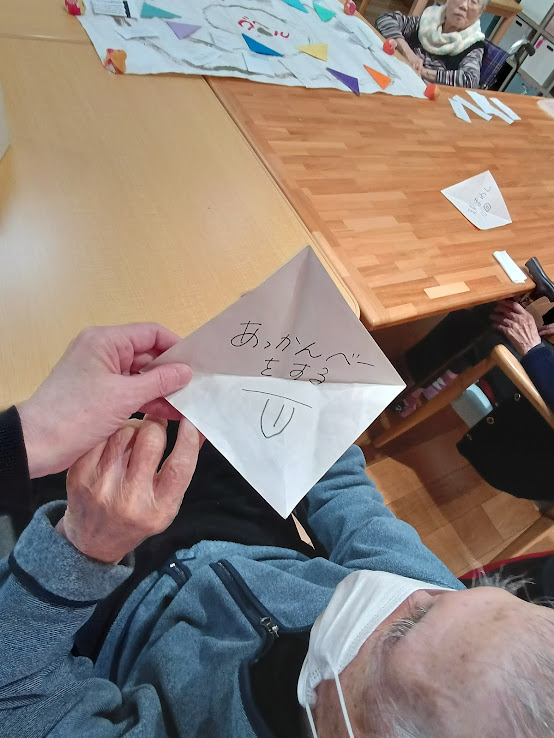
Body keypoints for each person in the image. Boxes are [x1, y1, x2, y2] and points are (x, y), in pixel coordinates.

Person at [1, 323, 554, 738]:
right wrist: (305, 403)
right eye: (490, 590)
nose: (418, 588)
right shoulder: (452, 621)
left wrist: (82, 552)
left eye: (410, 624)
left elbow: (19, 698)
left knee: (51, 467)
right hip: (245, 532)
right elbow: (353, 507)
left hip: (105, 616)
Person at [376, 0, 490, 89]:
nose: (464, 6)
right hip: (391, 76)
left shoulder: (472, 44)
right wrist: (407, 53)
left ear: (480, 12)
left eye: (473, 2)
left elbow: (470, 80)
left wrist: (423, 72)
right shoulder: (429, 22)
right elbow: (385, 20)